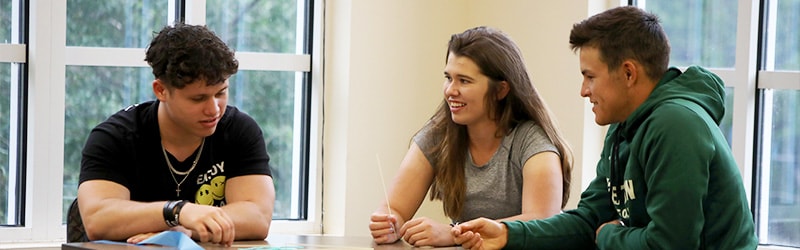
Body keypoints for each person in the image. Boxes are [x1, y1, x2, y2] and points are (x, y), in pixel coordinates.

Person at [451, 6, 758, 250]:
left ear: (628, 73)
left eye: (590, 76)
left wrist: (609, 237)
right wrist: (507, 234)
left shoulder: (675, 126)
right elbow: (589, 221)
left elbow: (669, 245)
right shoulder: (623, 126)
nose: (583, 91)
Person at [368, 26, 574, 247]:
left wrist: (452, 233)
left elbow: (542, 223)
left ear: (501, 90)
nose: (450, 90)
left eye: (464, 81)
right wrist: (390, 224)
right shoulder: (438, 134)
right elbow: (395, 209)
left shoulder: (533, 142)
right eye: (448, 78)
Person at [77, 23, 275, 247]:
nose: (214, 109)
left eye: (221, 93)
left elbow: (257, 217)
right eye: (198, 99)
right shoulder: (114, 137)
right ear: (161, 90)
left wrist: (184, 230)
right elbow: (97, 220)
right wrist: (177, 212)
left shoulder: (239, 130)